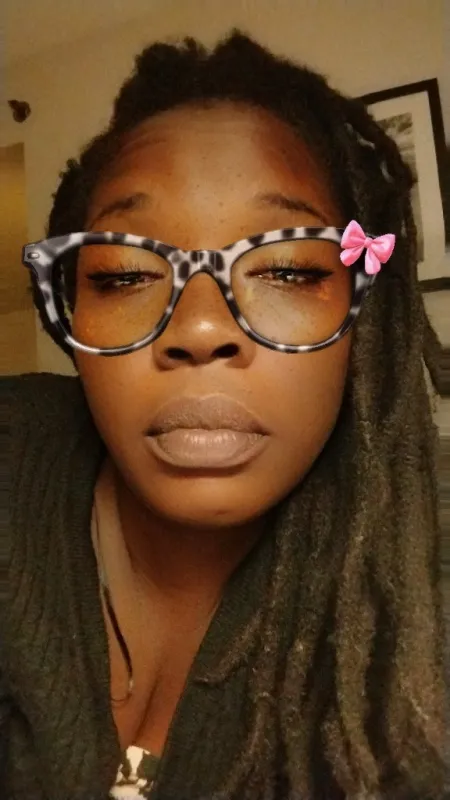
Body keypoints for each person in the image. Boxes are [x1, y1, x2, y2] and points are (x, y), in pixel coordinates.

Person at [2, 29, 448, 800]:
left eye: (287, 268)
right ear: (69, 308)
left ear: (364, 316)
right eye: (124, 273)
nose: (201, 326)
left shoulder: (421, 554)